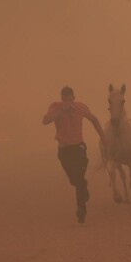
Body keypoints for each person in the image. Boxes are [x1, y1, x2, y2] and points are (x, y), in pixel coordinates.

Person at [42, 85, 104, 223]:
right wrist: (60, 111)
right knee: (74, 180)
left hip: (79, 148)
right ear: (61, 99)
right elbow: (45, 121)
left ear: (74, 98)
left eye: (69, 100)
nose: (67, 102)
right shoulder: (55, 106)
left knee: (79, 176)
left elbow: (94, 119)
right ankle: (83, 187)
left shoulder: (80, 107)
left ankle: (81, 210)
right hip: (64, 150)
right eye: (64, 99)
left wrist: (103, 137)